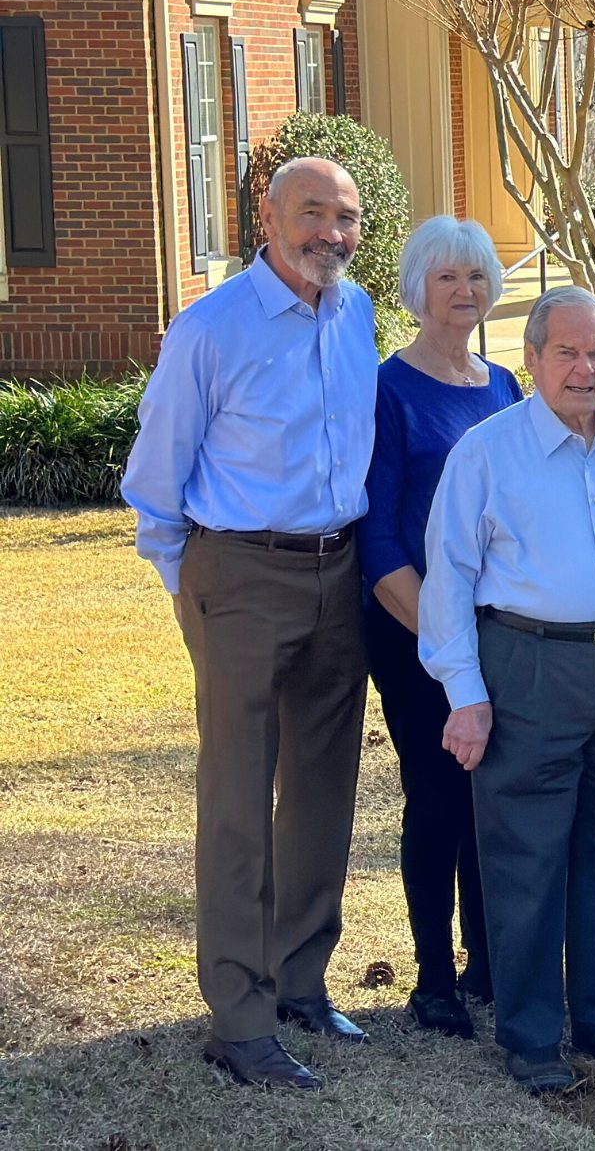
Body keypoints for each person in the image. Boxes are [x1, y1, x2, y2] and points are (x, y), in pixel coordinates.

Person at [120, 157, 378, 1088]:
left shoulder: (357, 315)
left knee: (322, 783)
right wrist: (189, 584)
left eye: (346, 218)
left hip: (337, 569)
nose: (331, 234)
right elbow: (156, 477)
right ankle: (237, 1014)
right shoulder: (211, 330)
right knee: (237, 797)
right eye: (313, 213)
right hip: (237, 572)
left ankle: (299, 980)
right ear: (266, 217)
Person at [418, 287, 595, 1092]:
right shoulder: (486, 452)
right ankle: (532, 1036)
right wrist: (465, 695)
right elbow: (449, 582)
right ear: (533, 361)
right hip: (527, 669)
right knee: (525, 857)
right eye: (567, 353)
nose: (585, 369)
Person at [358, 217, 522, 1039]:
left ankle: (488, 964)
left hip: (500, 634)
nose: (464, 290)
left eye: (477, 276)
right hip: (412, 626)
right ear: (417, 286)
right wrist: (441, 638)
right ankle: (433, 984)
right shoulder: (388, 388)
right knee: (437, 796)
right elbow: (378, 531)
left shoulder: (504, 388)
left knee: (489, 796)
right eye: (446, 276)